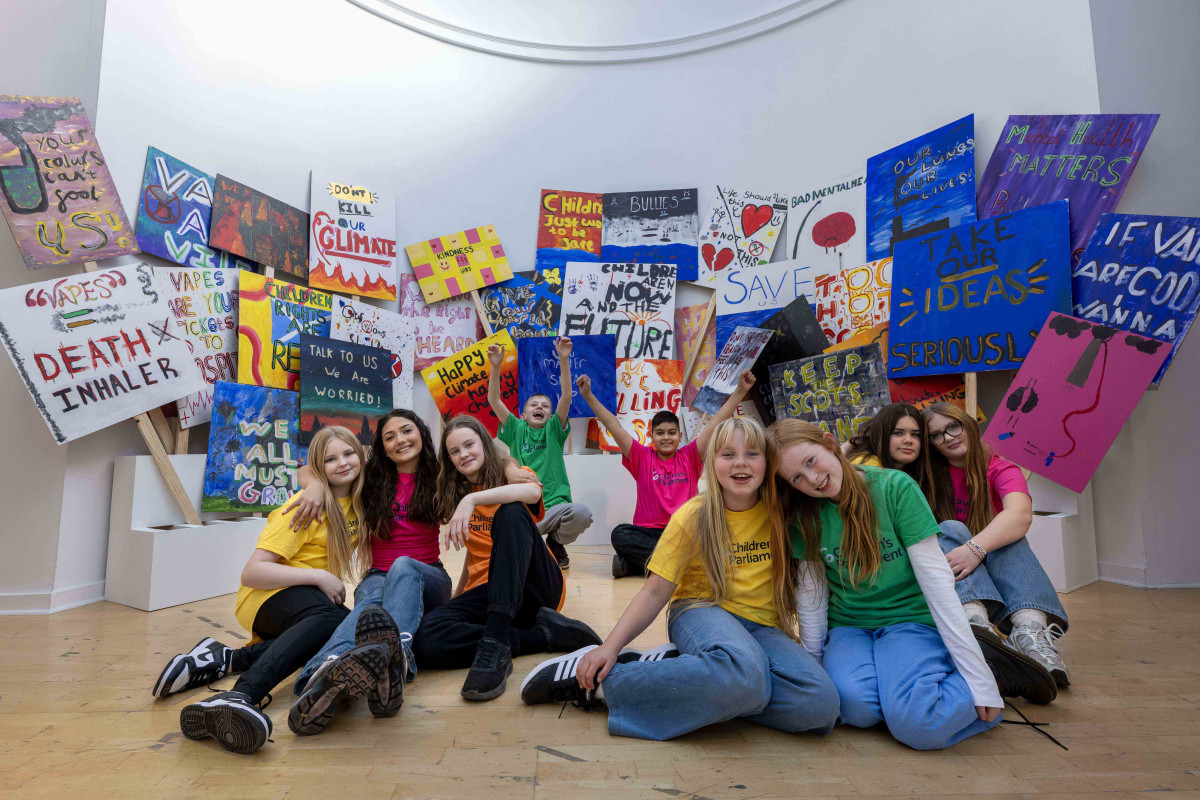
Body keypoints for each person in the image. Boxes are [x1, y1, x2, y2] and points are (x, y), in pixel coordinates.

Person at [519, 417, 840, 741]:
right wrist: (610, 648)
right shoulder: (694, 515)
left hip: (763, 629)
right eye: (728, 454)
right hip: (702, 610)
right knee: (747, 677)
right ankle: (609, 682)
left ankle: (692, 673)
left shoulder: (779, 511)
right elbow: (655, 592)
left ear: (767, 463)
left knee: (819, 705)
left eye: (752, 454)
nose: (741, 463)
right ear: (711, 463)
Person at [771, 419, 1058, 751]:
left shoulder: (895, 487)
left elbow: (937, 584)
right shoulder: (805, 515)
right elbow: (812, 596)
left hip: (909, 622)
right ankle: (905, 692)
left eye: (810, 461)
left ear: (828, 442)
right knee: (855, 709)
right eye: (796, 478)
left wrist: (979, 679)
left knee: (919, 725)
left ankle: (994, 672)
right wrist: (816, 667)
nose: (812, 479)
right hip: (849, 629)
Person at [153, 426, 385, 755]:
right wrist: (319, 575)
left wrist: (313, 480)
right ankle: (241, 695)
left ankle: (227, 658)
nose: (343, 463)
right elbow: (253, 573)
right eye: (330, 459)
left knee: (343, 627)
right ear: (320, 466)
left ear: (362, 455)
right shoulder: (304, 508)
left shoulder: (359, 498)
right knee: (332, 619)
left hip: (307, 604)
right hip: (267, 597)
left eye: (348, 453)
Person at [280, 410, 452, 735]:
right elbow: (308, 468)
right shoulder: (373, 478)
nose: (400, 440)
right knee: (369, 601)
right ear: (382, 447)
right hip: (378, 575)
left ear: (422, 434)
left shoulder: (440, 474)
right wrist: (315, 486)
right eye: (390, 437)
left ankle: (395, 655)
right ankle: (324, 671)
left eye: (406, 431)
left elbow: (493, 455)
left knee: (401, 566)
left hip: (429, 576)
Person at [413, 415, 602, 700]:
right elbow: (474, 552)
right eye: (454, 451)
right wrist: (457, 595)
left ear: (485, 445)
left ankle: (496, 644)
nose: (463, 454)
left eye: (469, 445)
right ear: (449, 459)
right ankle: (543, 637)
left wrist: (473, 500)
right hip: (490, 592)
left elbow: (530, 492)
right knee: (427, 636)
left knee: (511, 511)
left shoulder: (512, 475)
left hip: (535, 585)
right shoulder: (457, 492)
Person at [924, 402, 1071, 688]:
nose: (949, 437)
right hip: (949, 576)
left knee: (1009, 534)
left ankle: (1029, 632)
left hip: (993, 567)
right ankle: (977, 629)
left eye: (953, 426)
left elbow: (1020, 513)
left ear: (967, 424)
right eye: (937, 434)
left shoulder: (998, 466)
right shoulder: (926, 474)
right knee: (950, 528)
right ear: (930, 444)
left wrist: (975, 549)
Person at [578, 370, 756, 578]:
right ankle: (686, 565)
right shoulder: (641, 456)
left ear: (680, 436)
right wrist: (588, 395)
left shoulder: (691, 456)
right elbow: (613, 425)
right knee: (620, 534)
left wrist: (740, 391)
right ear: (651, 435)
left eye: (671, 433)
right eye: (660, 433)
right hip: (649, 534)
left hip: (685, 531)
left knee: (712, 532)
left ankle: (638, 566)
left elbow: (716, 422)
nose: (666, 438)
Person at [489, 337, 591, 569]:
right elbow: (494, 400)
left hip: (554, 506)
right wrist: (496, 366)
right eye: (533, 405)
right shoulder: (515, 428)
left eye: (545, 406)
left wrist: (563, 359)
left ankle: (555, 544)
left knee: (581, 513)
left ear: (550, 414)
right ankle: (535, 548)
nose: (539, 408)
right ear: (523, 415)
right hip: (524, 509)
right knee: (511, 541)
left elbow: (566, 396)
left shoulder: (554, 429)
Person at [843, 403, 935, 502]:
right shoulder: (867, 467)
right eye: (898, 433)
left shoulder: (919, 469)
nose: (908, 440)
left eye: (915, 434)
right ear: (881, 434)